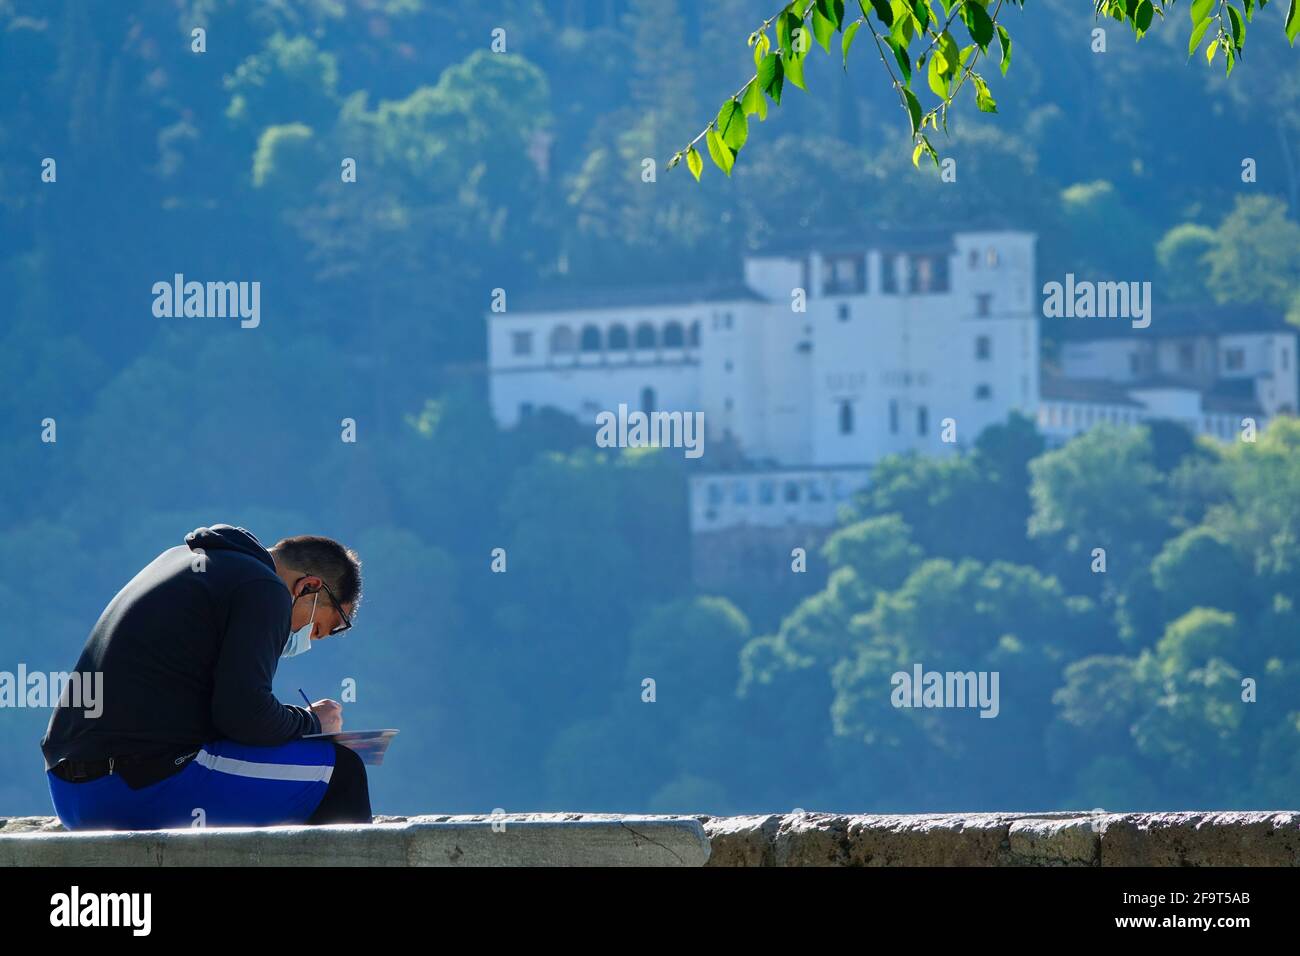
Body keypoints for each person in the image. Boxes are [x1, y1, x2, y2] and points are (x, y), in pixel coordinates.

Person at [40, 524, 372, 830]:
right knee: (340, 771)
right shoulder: (264, 588)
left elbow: (225, 713)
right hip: (130, 789)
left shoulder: (185, 560)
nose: (301, 636)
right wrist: (313, 723)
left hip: (71, 792)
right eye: (313, 627)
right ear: (308, 587)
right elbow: (244, 715)